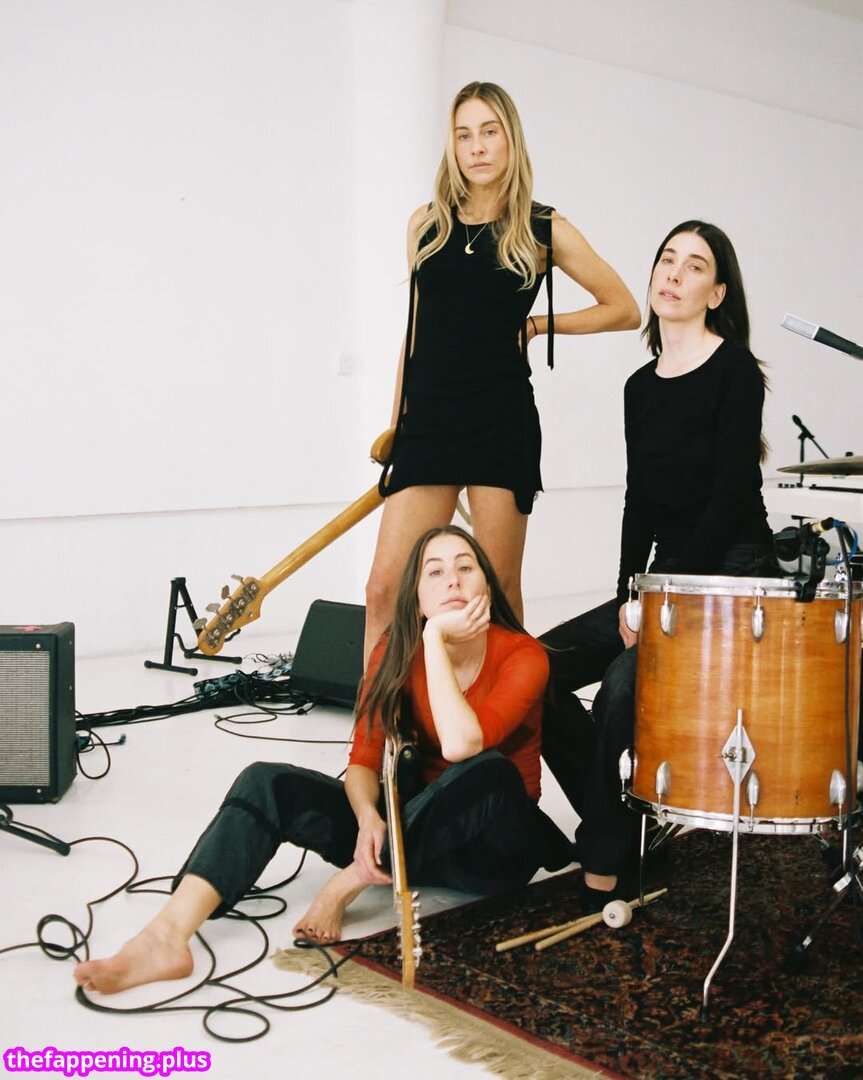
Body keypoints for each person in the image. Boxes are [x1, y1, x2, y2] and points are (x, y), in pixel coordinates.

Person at [73, 526, 572, 995]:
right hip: (405, 842)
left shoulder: (524, 655)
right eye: (435, 572)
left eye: (465, 567)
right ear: (417, 596)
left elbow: (461, 745)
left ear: (487, 584)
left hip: (491, 854)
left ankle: (347, 884)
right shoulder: (393, 651)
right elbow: (363, 761)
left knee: (488, 770)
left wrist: (435, 642)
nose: (453, 581)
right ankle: (167, 935)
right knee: (266, 781)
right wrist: (368, 818)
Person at [540, 220, 780, 907]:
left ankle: (606, 855)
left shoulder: (734, 370)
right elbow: (637, 501)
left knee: (621, 686)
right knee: (533, 668)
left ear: (717, 293)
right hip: (664, 574)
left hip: (732, 571)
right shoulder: (639, 387)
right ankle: (626, 821)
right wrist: (627, 593)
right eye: (666, 259)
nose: (673, 273)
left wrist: (659, 597)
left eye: (694, 265)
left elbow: (730, 496)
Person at [365, 80, 640, 662]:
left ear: (510, 139)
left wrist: (538, 325)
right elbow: (415, 332)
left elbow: (623, 308)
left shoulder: (542, 229)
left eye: (489, 132)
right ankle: (377, 722)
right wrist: (397, 424)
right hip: (430, 424)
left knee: (497, 593)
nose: (477, 147)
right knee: (385, 590)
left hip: (500, 421)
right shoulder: (425, 225)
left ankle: (508, 720)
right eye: (464, 135)